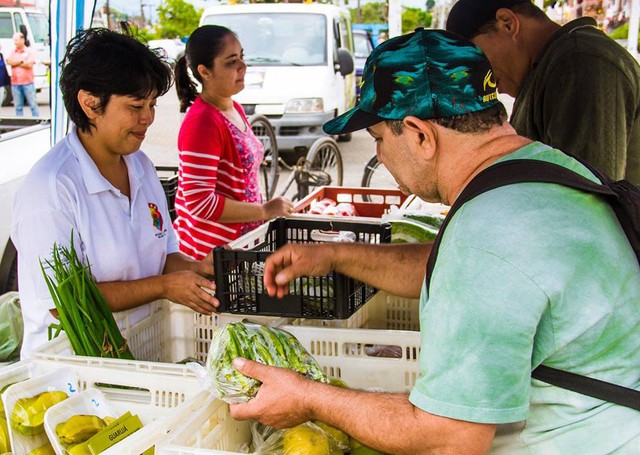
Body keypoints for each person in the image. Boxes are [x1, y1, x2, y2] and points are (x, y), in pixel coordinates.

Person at [227, 29, 640, 454]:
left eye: (380, 141)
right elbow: (463, 271)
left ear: (420, 134)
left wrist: (308, 397)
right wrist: (334, 255)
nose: (382, 158)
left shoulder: (487, 236)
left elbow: (448, 439)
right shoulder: (543, 169)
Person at [11, 27, 219, 357]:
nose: (148, 118)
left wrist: (197, 269)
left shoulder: (141, 167)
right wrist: (164, 288)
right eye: (136, 106)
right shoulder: (51, 188)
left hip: (141, 354)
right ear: (90, 104)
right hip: (74, 378)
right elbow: (64, 304)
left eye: (152, 104)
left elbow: (164, 256)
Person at [445, 0, 640, 185]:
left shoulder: (581, 60)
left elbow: (587, 195)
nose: (479, 79)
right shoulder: (540, 70)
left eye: (475, 61)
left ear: (507, 23)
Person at [173, 25, 293, 260]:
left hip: (239, 246)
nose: (243, 67)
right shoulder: (202, 122)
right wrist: (264, 210)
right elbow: (200, 203)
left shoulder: (232, 107)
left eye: (242, 57)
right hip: (210, 256)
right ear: (204, 71)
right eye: (231, 62)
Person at [5, 32, 39, 117]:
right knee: (18, 106)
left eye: (16, 40)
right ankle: (19, 120)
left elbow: (29, 64)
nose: (15, 42)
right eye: (14, 40)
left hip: (28, 83)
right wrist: (21, 62)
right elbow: (8, 61)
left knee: (33, 105)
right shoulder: (13, 51)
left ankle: (36, 120)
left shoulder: (29, 51)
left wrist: (15, 63)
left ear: (22, 40)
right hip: (15, 83)